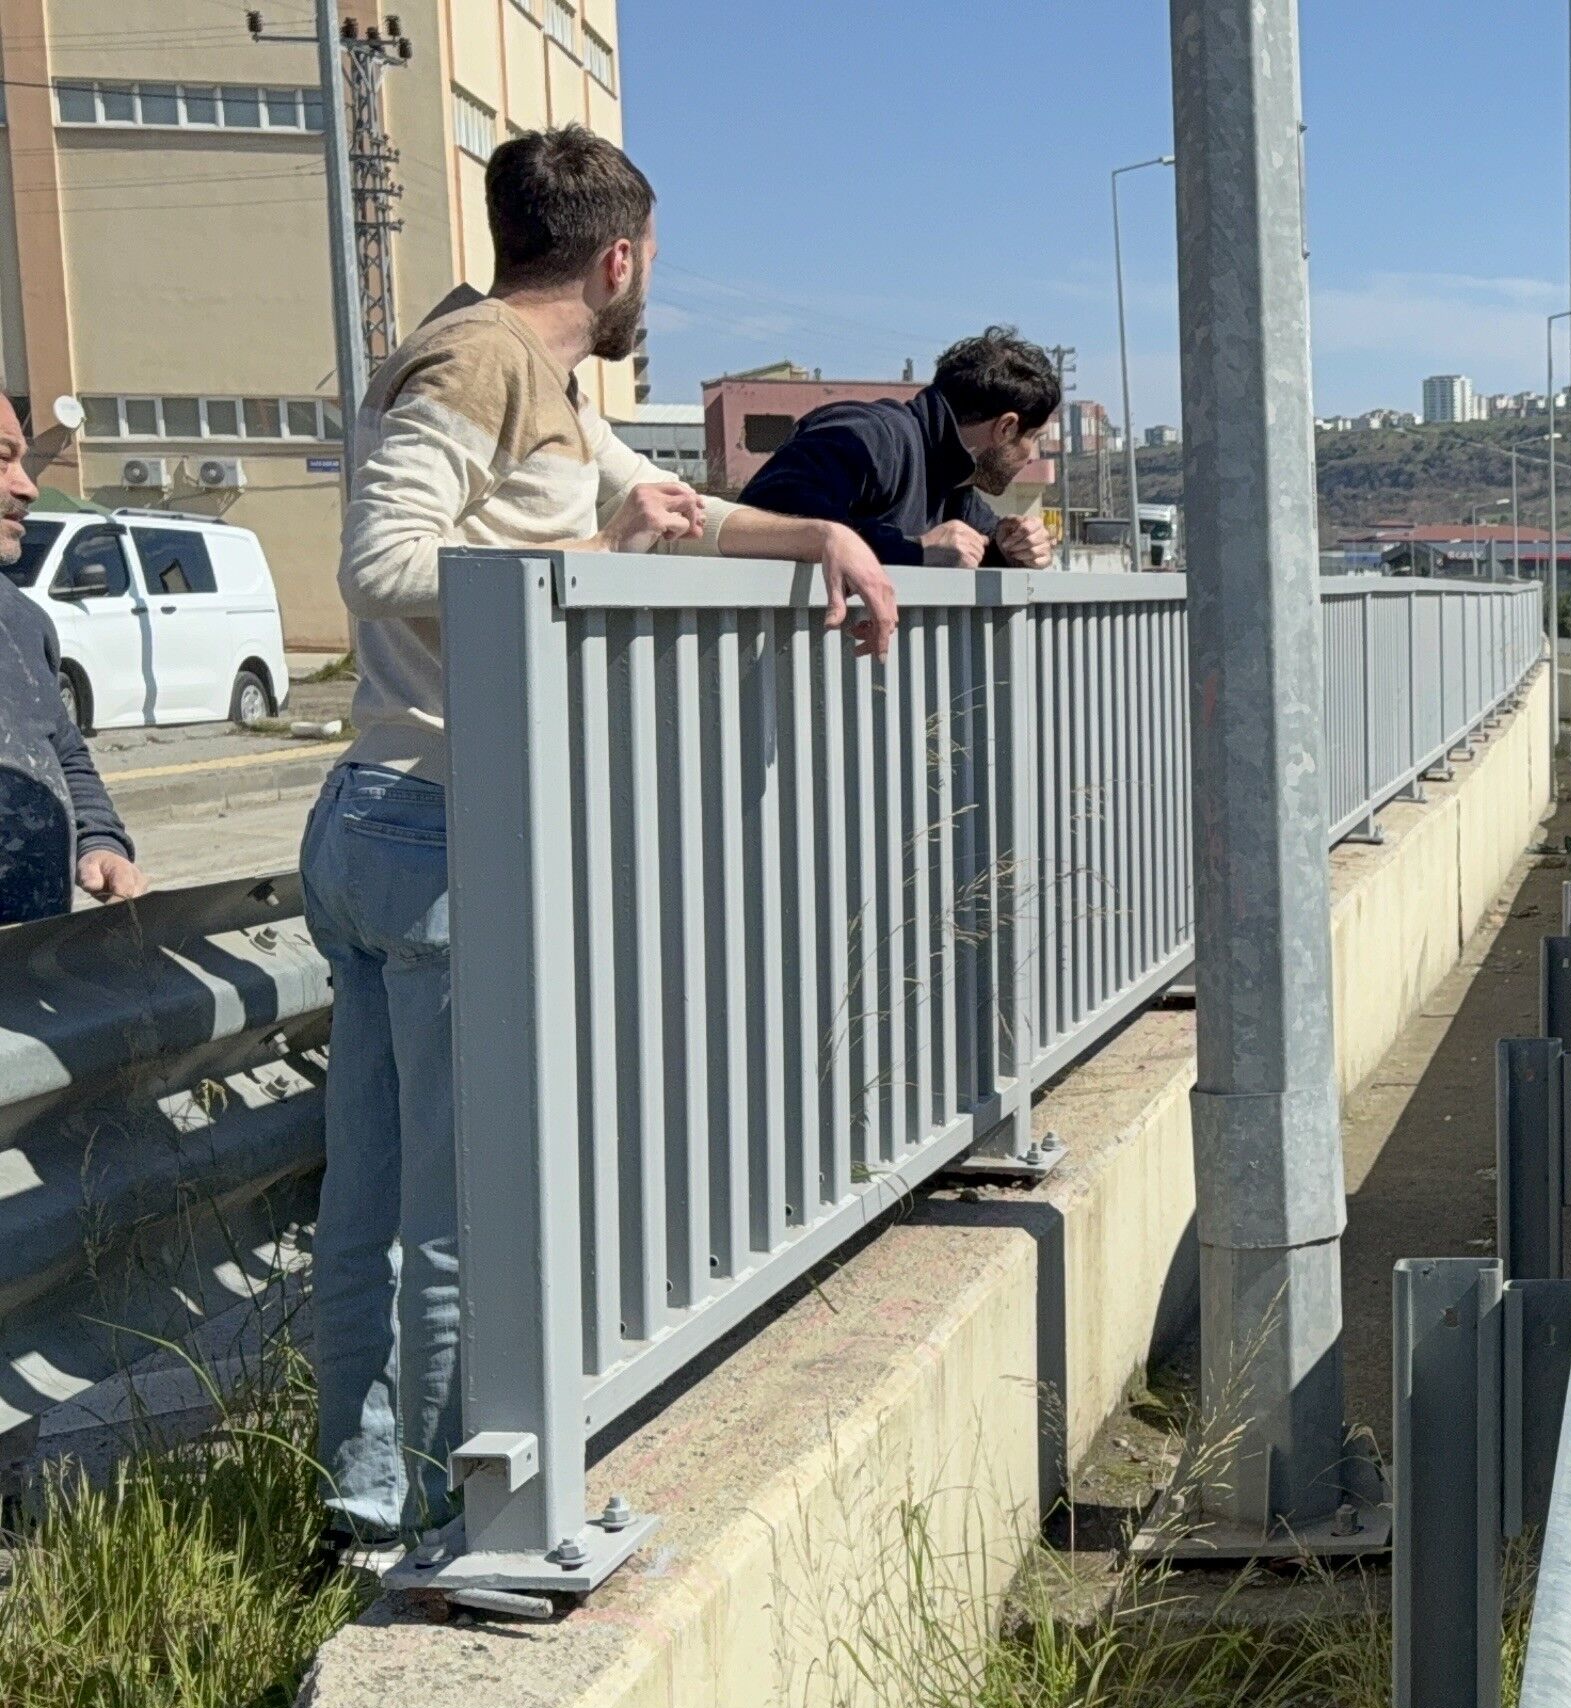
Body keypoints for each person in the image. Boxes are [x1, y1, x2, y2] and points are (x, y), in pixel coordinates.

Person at [311, 125, 897, 1544]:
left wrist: (816, 541)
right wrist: (604, 558)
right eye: (652, 269)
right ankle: (455, 1512)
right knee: (453, 1216)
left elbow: (661, 511)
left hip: (386, 815)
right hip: (434, 825)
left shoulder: (536, 381)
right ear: (619, 257)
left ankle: (366, 1499)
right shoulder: (479, 366)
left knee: (377, 1196)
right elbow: (385, 565)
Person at [0, 396, 149, 925]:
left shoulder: (22, 619)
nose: (27, 487)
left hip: (31, 956)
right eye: (2, 458)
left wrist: (98, 840)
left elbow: (60, 747)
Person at [737, 328, 1062, 569]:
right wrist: (914, 550)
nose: (1031, 456)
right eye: (1034, 437)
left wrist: (1014, 547)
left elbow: (975, 544)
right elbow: (759, 520)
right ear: (1005, 428)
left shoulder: (954, 483)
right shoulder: (870, 436)